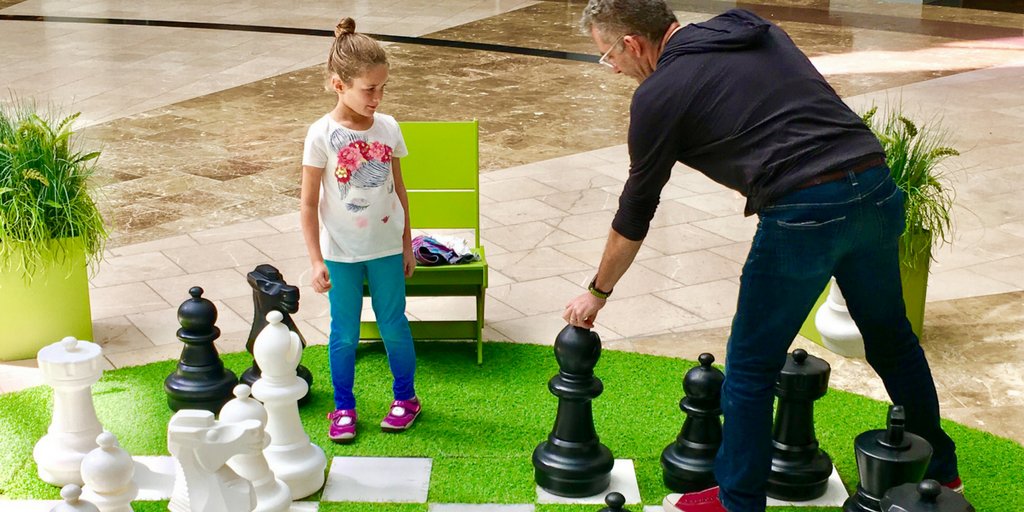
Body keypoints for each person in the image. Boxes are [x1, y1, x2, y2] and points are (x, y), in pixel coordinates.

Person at [563, 2, 961, 511]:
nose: (612, 68)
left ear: (633, 44)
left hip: (805, 214)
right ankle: (942, 474)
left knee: (751, 368)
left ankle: (739, 501)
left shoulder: (659, 94)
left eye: (607, 55)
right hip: (875, 186)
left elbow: (635, 209)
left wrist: (597, 292)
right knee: (892, 340)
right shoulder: (748, 26)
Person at [300, 17, 420, 444]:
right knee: (344, 333)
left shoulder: (389, 127)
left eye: (383, 87)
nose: (377, 97)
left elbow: (399, 188)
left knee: (393, 324)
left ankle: (406, 398)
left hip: (387, 247)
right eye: (369, 88)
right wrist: (316, 259)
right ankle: (344, 407)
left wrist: (408, 245)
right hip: (340, 252)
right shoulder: (320, 134)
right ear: (338, 84)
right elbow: (309, 202)